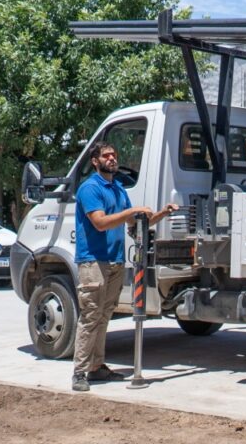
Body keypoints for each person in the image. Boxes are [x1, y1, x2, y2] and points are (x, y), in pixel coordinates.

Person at [71, 141, 178, 392]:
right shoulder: (90, 188)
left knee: (104, 316)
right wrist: (133, 209)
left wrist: (162, 212)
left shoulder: (118, 189)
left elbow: (135, 224)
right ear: (95, 161)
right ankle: (79, 372)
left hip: (116, 261)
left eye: (114, 154)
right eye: (106, 155)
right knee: (90, 316)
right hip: (93, 261)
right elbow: (100, 223)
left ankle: (96, 368)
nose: (112, 158)